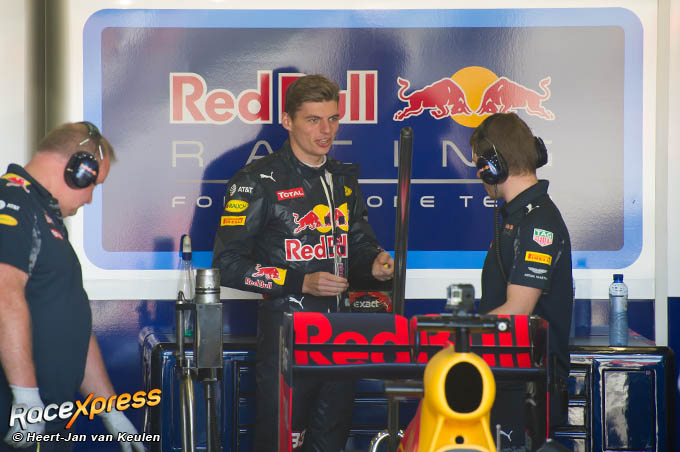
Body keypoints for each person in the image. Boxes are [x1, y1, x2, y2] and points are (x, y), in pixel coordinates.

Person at [212, 74, 394, 451]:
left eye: (333, 118)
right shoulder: (256, 180)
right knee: (281, 444)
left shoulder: (343, 179)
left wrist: (375, 266)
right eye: (313, 120)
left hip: (343, 336)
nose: (326, 130)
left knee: (331, 444)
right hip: (287, 339)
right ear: (287, 121)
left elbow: (358, 248)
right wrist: (300, 282)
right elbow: (227, 263)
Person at [0, 122, 143, 452]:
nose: (91, 198)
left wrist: (111, 411)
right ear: (77, 169)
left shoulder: (45, 216)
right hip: (21, 419)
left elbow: (73, 327)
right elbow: (4, 295)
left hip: (51, 418)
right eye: (93, 184)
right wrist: (25, 398)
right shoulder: (12, 201)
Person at [469, 113, 573, 450]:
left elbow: (518, 310)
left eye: (479, 165)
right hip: (506, 376)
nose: (478, 174)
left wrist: (456, 338)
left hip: (524, 386)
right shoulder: (519, 218)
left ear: (493, 166)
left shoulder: (538, 224)